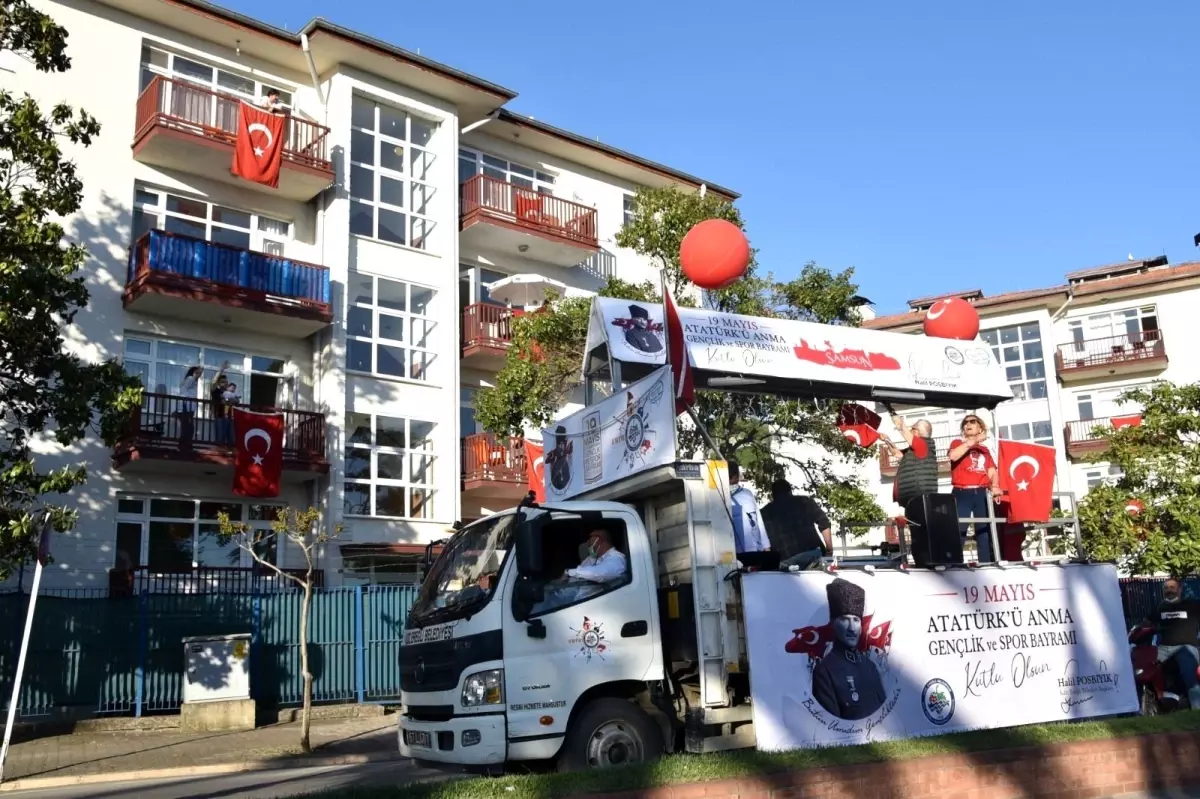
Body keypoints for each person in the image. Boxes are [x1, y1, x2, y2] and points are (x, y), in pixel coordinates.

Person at [811, 578, 887, 720]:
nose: (852, 628)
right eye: (845, 619)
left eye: (856, 620)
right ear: (833, 623)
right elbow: (832, 723)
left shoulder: (869, 666)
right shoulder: (824, 671)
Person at [947, 414, 1000, 562]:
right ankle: (955, 563)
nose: (967, 424)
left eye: (972, 421)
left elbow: (991, 471)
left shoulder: (985, 450)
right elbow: (953, 456)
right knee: (959, 529)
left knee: (983, 531)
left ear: (980, 427)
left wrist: (995, 486)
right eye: (965, 422)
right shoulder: (957, 442)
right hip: (961, 491)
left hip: (981, 492)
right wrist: (973, 441)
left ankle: (986, 564)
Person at [1147, 578, 1200, 709]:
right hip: (1164, 647)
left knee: (1190, 676)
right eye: (1166, 588)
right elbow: (1146, 623)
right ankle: (1153, 705)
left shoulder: (1192, 605)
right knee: (1147, 668)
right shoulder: (1159, 607)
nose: (1169, 590)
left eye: (1172, 587)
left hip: (1186, 646)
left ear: (1180, 589)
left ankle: (1196, 709)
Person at [760, 478, 831, 570]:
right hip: (812, 554)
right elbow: (824, 523)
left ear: (772, 495)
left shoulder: (764, 513)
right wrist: (829, 549)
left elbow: (763, 543)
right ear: (790, 491)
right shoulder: (805, 501)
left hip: (785, 560)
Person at [879, 414, 938, 509]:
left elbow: (907, 436)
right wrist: (887, 440)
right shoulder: (914, 450)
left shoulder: (923, 444)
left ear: (918, 432)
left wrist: (900, 425)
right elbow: (896, 453)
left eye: (912, 428)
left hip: (920, 497)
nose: (910, 430)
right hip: (913, 498)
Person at [728, 460, 768, 554]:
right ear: (736, 476)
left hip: (752, 552)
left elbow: (759, 523)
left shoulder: (747, 494)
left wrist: (766, 548)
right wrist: (767, 548)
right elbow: (760, 524)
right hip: (739, 554)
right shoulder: (718, 497)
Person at [176, 365, 202, 451]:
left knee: (187, 427)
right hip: (186, 407)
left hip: (187, 407)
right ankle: (184, 446)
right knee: (188, 428)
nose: (200, 374)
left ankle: (184, 445)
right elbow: (184, 391)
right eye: (199, 372)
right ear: (194, 372)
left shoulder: (190, 380)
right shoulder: (191, 379)